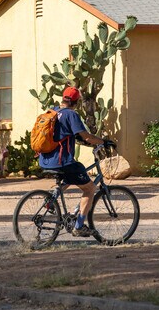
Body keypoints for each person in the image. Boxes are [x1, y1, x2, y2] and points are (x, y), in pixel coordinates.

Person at [38, 86, 115, 237]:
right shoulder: (70, 114)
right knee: (89, 188)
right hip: (62, 161)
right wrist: (104, 142)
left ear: (63, 98)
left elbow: (69, 135)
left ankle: (51, 199)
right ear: (76, 102)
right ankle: (79, 226)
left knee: (72, 176)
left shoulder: (52, 112)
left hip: (46, 159)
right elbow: (86, 137)